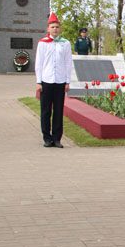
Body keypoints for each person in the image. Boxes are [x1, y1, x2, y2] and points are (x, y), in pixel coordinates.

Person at [35, 13, 73, 148]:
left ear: (60, 29)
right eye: (53, 27)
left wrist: (68, 81)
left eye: (57, 27)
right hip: (46, 80)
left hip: (60, 81)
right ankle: (47, 138)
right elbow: (39, 63)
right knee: (46, 111)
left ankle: (57, 138)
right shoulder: (43, 43)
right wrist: (38, 82)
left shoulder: (65, 43)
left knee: (58, 111)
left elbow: (68, 63)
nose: (55, 29)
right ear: (48, 29)